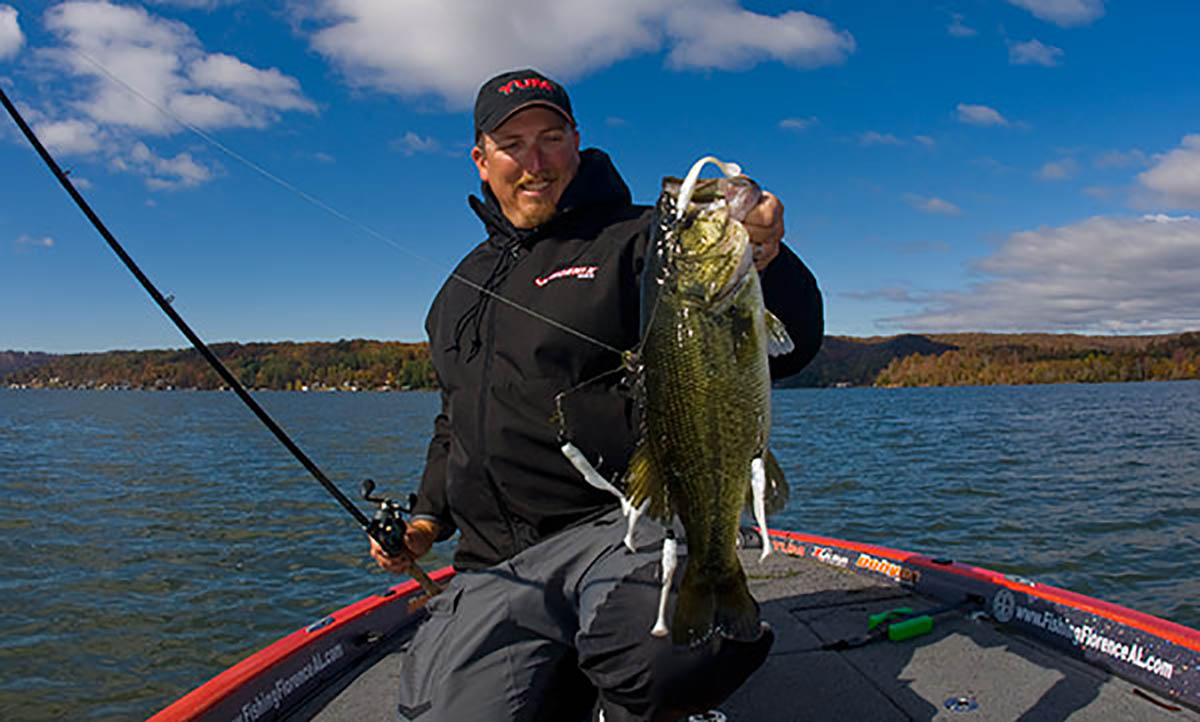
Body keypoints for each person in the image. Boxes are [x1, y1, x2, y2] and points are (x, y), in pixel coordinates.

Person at [369, 68, 824, 721]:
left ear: (576, 144)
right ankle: (564, 667)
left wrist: (768, 259)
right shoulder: (458, 291)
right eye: (512, 143)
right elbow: (456, 424)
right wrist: (424, 523)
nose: (535, 161)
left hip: (613, 528)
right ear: (481, 160)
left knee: (682, 655)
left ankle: (633, 665)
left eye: (551, 137)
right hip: (495, 565)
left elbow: (790, 345)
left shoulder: (644, 238)